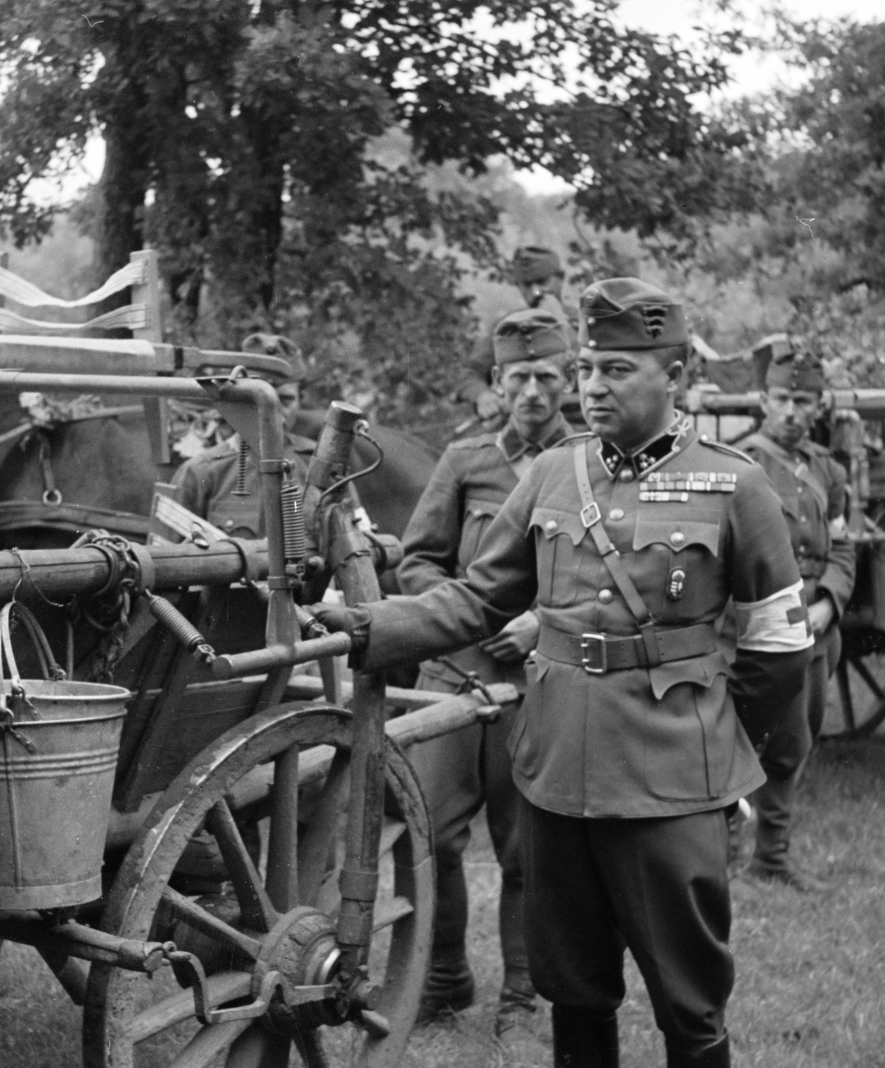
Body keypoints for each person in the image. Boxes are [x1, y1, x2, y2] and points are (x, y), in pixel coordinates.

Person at [314, 278, 813, 1068]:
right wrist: (371, 626)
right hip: (555, 776)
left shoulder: (734, 484)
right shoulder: (555, 473)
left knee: (690, 1002)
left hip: (671, 777)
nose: (591, 386)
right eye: (588, 368)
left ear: (676, 375)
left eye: (617, 369)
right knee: (575, 989)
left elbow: (778, 649)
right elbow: (478, 597)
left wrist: (726, 761)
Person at [399, 309, 584, 1037]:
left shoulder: (588, 465)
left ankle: (521, 995)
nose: (533, 391)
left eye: (546, 376)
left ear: (567, 380)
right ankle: (444, 979)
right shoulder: (464, 460)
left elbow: (605, 574)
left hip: (540, 680)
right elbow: (417, 558)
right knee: (433, 835)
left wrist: (543, 621)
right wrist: (463, 615)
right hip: (452, 676)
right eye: (519, 377)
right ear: (498, 384)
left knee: (525, 846)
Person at [737, 337, 855, 892]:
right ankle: (722, 849)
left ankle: (772, 857)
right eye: (782, 399)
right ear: (763, 400)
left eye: (803, 402)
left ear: (819, 407)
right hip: (758, 627)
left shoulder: (827, 472)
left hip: (815, 628)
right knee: (746, 737)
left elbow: (844, 546)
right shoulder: (740, 465)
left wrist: (829, 603)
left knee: (797, 741)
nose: (791, 412)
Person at [171, 333, 313, 538]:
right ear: (239, 399)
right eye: (260, 399)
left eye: (286, 399)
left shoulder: (320, 466)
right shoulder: (200, 474)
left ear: (301, 400)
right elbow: (168, 559)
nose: (273, 411)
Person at [457, 246, 583, 424]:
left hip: (579, 425)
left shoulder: (586, 323)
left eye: (542, 282)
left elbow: (592, 373)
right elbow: (469, 373)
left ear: (560, 278)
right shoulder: (507, 327)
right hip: (523, 427)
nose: (535, 292)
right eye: (527, 285)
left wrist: (561, 325)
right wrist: (482, 395)